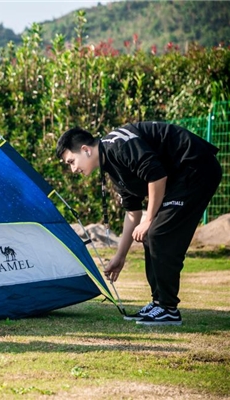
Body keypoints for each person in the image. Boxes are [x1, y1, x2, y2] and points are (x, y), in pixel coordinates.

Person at [56, 122, 221, 326]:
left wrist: (149, 219)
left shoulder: (118, 144)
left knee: (158, 234)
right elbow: (132, 214)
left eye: (71, 161)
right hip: (180, 179)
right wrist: (120, 256)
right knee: (151, 235)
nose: (73, 169)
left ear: (85, 150)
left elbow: (157, 176)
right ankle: (159, 303)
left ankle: (168, 308)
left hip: (196, 167)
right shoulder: (112, 167)